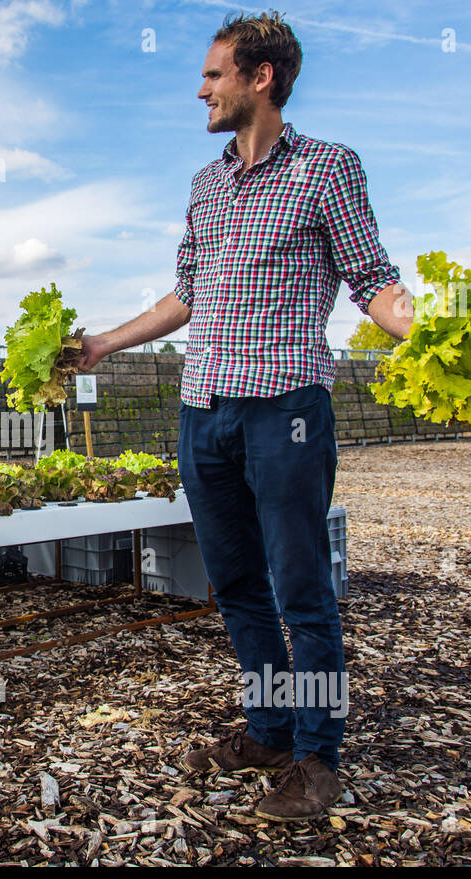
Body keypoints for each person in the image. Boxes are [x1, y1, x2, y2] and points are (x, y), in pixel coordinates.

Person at [77, 10, 414, 821]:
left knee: (304, 588)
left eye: (214, 75)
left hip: (287, 410)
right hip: (206, 411)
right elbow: (187, 296)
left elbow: (372, 280)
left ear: (260, 78)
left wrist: (441, 338)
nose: (201, 89)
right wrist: (102, 346)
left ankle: (318, 757)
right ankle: (268, 727)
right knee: (235, 584)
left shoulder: (330, 167)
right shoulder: (205, 184)